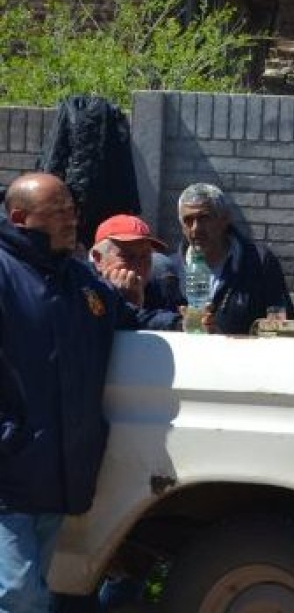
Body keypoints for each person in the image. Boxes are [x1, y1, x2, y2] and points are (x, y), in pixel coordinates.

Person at [0, 173, 124, 612]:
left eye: (72, 211)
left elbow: (121, 316)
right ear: (20, 218)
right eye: (58, 212)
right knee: (19, 594)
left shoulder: (78, 280)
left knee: (33, 589)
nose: (71, 220)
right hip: (10, 471)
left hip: (57, 473)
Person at [173, 183, 294, 335]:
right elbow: (145, 317)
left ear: (225, 219)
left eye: (204, 218)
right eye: (188, 220)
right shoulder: (170, 270)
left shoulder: (259, 262)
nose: (196, 228)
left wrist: (225, 339)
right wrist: (178, 323)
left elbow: (281, 326)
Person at [90, 214, 185, 330]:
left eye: (145, 256)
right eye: (128, 256)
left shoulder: (161, 287)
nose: (138, 265)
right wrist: (128, 304)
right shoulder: (85, 289)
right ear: (98, 259)